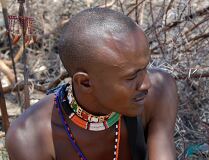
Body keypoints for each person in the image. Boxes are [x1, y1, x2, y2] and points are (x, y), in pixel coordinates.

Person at [6, 8, 178, 160]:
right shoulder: (30, 137)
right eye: (132, 77)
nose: (146, 84)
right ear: (85, 83)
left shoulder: (160, 91)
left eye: (145, 68)